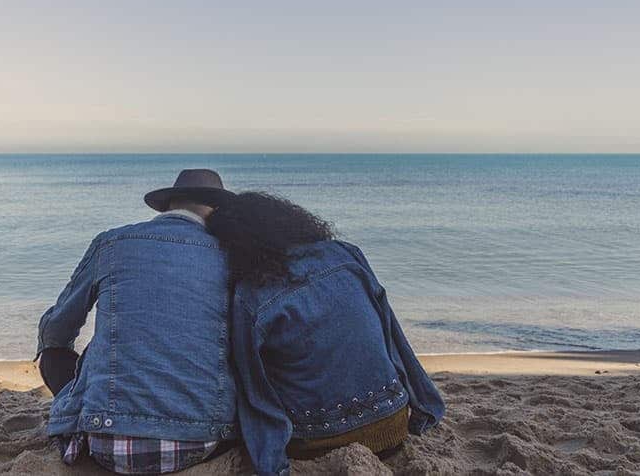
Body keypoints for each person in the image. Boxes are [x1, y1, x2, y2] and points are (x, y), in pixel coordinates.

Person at [206, 192, 446, 476]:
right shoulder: (346, 253)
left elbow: (255, 391)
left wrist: (271, 463)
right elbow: (392, 335)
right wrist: (425, 405)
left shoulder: (250, 296)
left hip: (319, 441)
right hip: (393, 422)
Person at [36, 169, 240, 474]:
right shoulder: (232, 256)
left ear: (169, 205)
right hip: (203, 441)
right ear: (218, 211)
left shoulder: (112, 243)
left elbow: (56, 330)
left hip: (107, 444)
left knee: (53, 353)